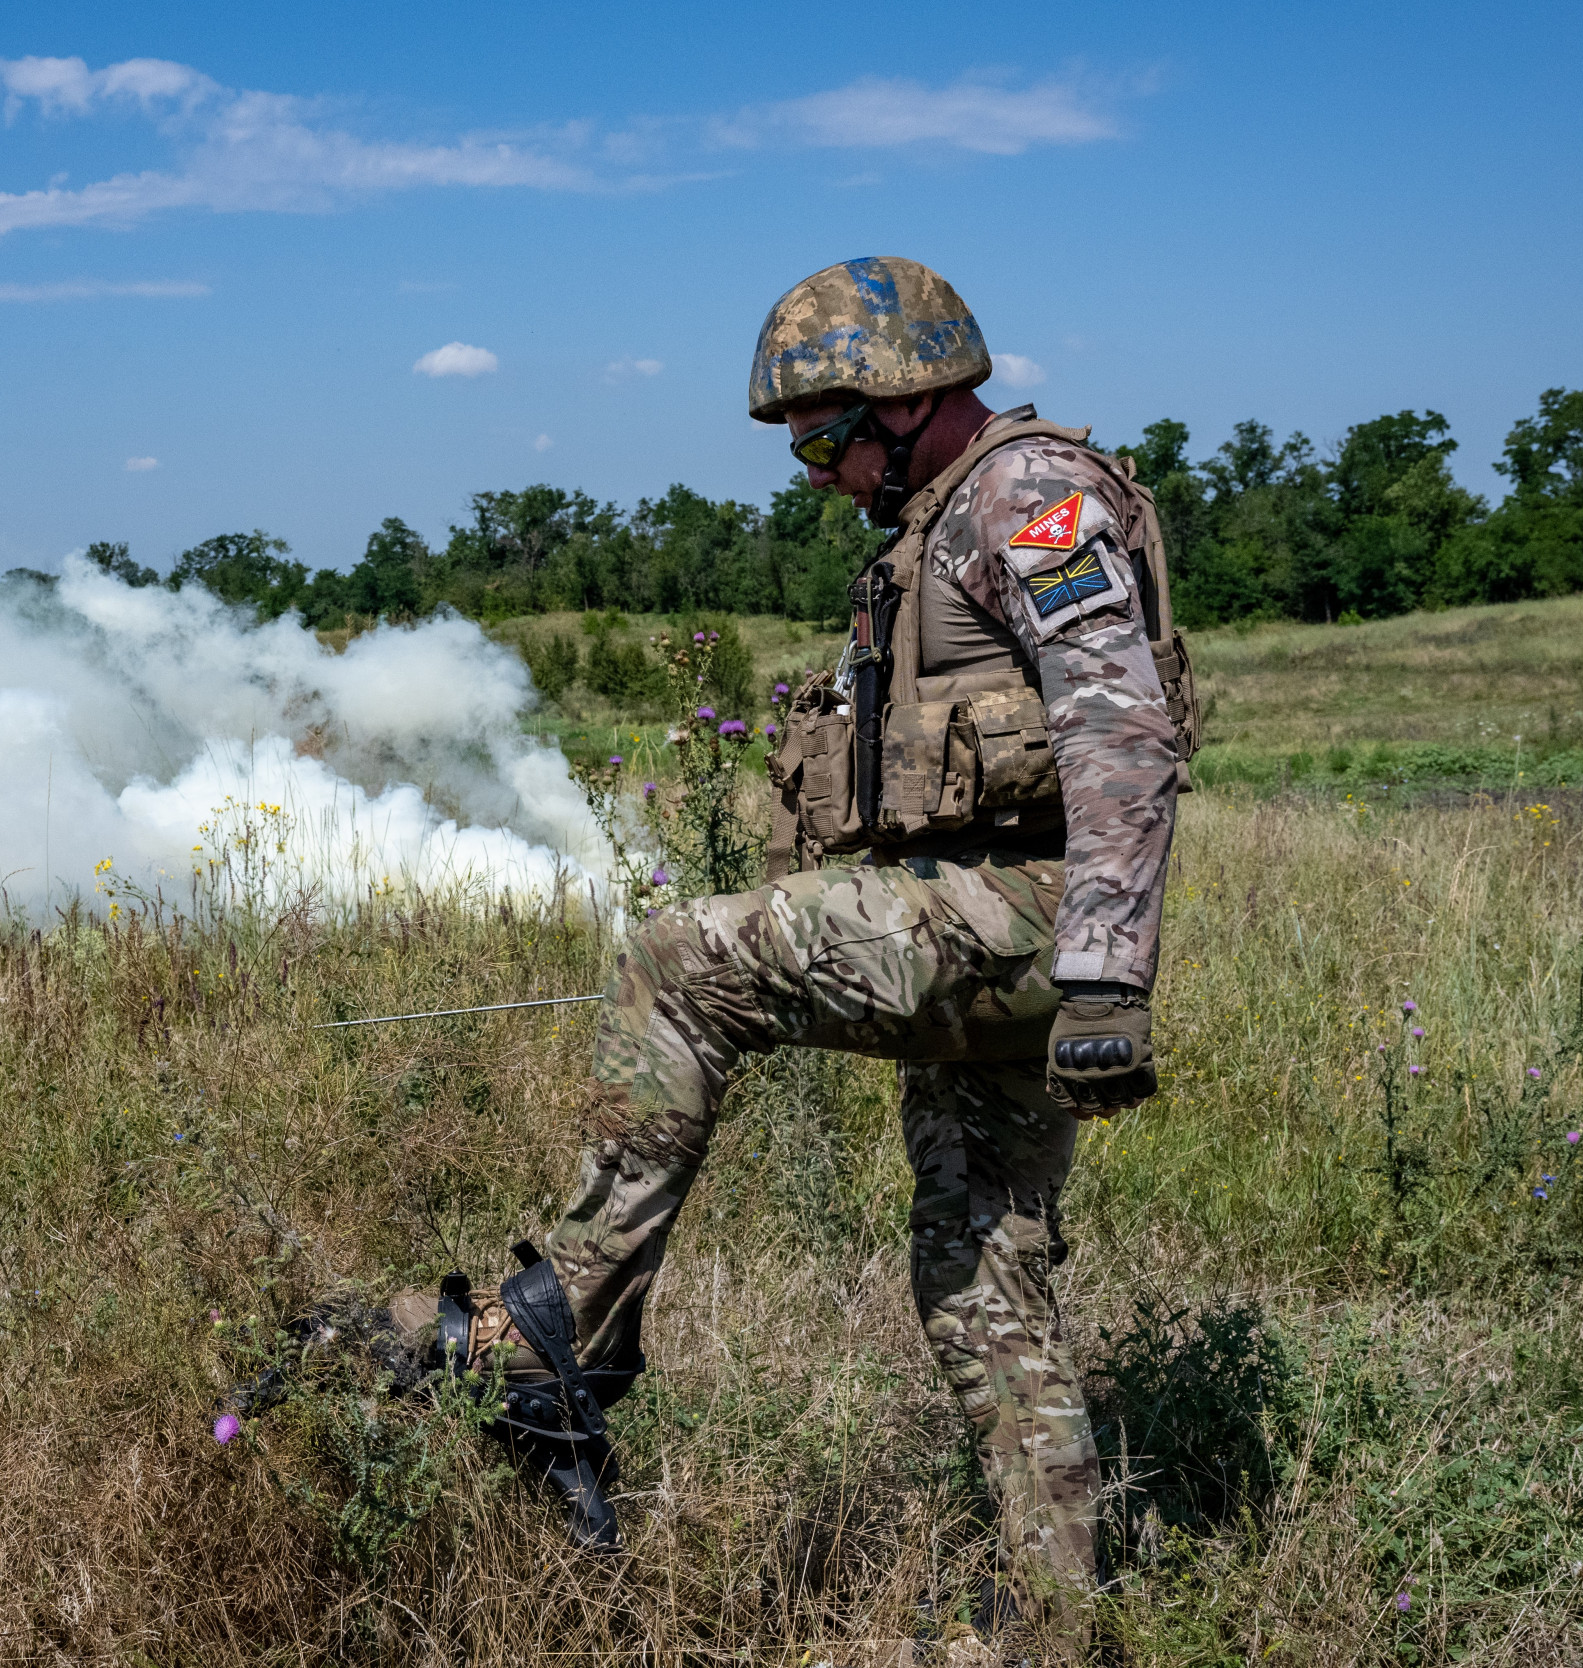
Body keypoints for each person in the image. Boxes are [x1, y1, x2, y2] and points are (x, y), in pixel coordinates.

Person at [395, 257, 1197, 1633]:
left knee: (674, 958)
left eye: (826, 437)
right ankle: (1061, 1621)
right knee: (980, 1279)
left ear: (909, 400)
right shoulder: (926, 524)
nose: (815, 472)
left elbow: (1121, 731)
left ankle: (559, 1334)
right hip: (984, 927)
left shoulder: (1029, 500)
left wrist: (1109, 975)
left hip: (1028, 926)